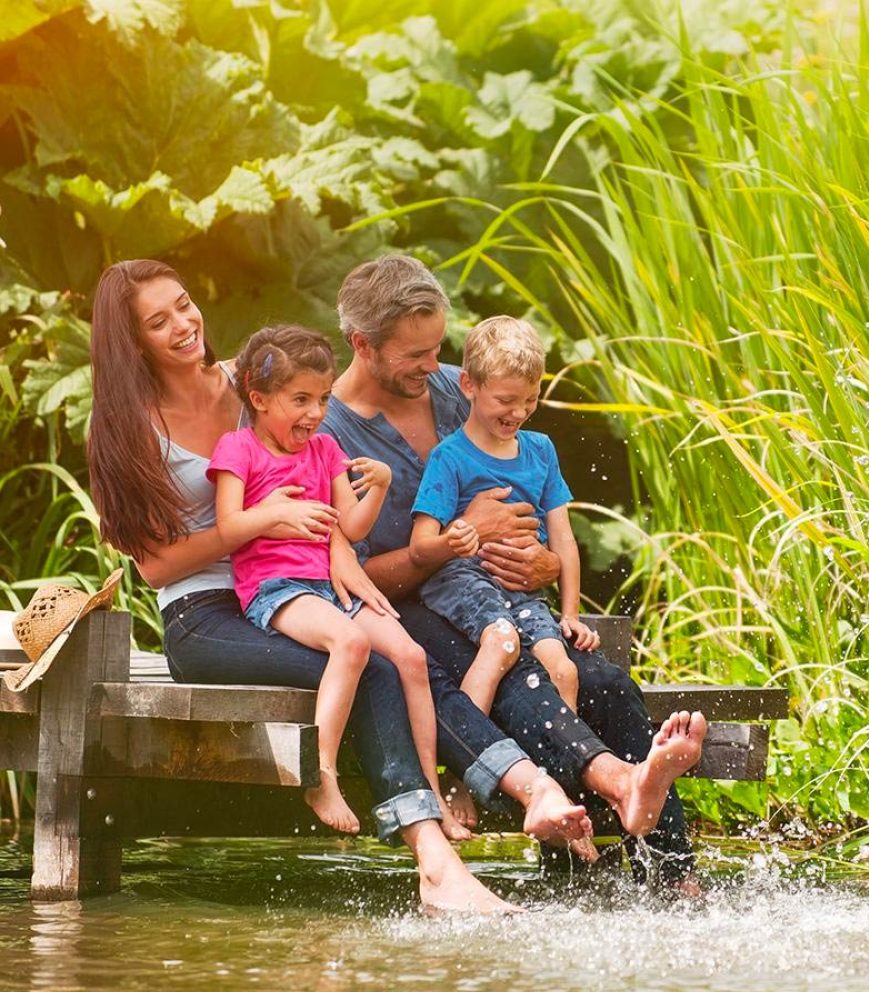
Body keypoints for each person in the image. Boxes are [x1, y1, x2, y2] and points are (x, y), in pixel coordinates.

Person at [86, 259, 593, 915]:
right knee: (373, 665)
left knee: (405, 652)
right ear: (132, 341)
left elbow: (322, 493)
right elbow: (154, 569)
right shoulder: (128, 426)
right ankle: (435, 863)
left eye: (184, 304)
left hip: (304, 581)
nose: (184, 324)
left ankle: (529, 791)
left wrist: (345, 556)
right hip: (207, 613)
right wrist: (260, 522)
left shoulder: (254, 383)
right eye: (159, 321)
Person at [323, 254, 707, 885]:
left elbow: (537, 514)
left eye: (437, 348)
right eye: (413, 355)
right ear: (362, 345)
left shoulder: (463, 387)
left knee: (604, 680)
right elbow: (349, 575)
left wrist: (545, 564)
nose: (433, 368)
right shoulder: (331, 433)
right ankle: (612, 789)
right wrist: (457, 538)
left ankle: (671, 874)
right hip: (409, 611)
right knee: (518, 676)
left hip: (507, 598)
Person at [209, 323, 464, 839]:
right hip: (276, 587)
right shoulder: (239, 449)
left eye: (323, 398)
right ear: (258, 399)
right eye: (299, 399)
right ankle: (321, 775)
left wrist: (381, 487)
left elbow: (351, 527)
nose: (315, 413)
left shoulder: (325, 450)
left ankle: (431, 792)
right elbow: (229, 529)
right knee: (350, 643)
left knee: (412, 658)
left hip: (332, 587)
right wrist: (274, 514)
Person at [410, 315, 598, 715]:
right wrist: (453, 539)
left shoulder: (541, 450)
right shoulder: (450, 457)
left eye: (530, 400)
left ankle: (564, 768)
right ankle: (472, 752)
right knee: (502, 642)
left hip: (522, 589)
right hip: (463, 577)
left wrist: (571, 614)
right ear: (469, 386)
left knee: (564, 671)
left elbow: (562, 536)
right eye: (506, 400)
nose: (519, 412)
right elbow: (421, 546)